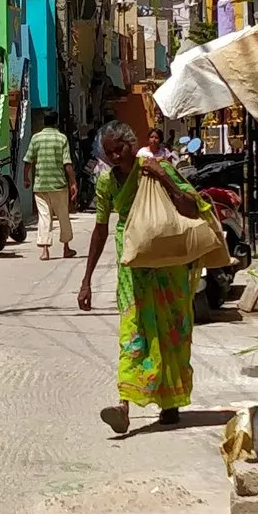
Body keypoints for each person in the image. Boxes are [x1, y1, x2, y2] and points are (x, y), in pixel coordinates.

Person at [77, 120, 209, 435]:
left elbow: (192, 208)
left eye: (119, 149)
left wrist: (165, 178)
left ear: (132, 143)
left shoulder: (154, 168)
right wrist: (87, 279)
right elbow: (100, 229)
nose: (115, 157)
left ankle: (170, 402)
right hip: (132, 269)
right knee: (133, 330)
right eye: (108, 153)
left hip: (167, 266)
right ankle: (124, 403)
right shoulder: (107, 182)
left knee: (172, 330)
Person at [23, 113, 75, 258]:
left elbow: (28, 160)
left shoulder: (36, 138)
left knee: (44, 216)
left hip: (40, 185)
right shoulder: (61, 138)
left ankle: (45, 250)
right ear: (56, 123)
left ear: (44, 123)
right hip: (59, 184)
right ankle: (66, 248)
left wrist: (25, 179)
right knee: (63, 215)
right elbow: (67, 163)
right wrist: (73, 183)